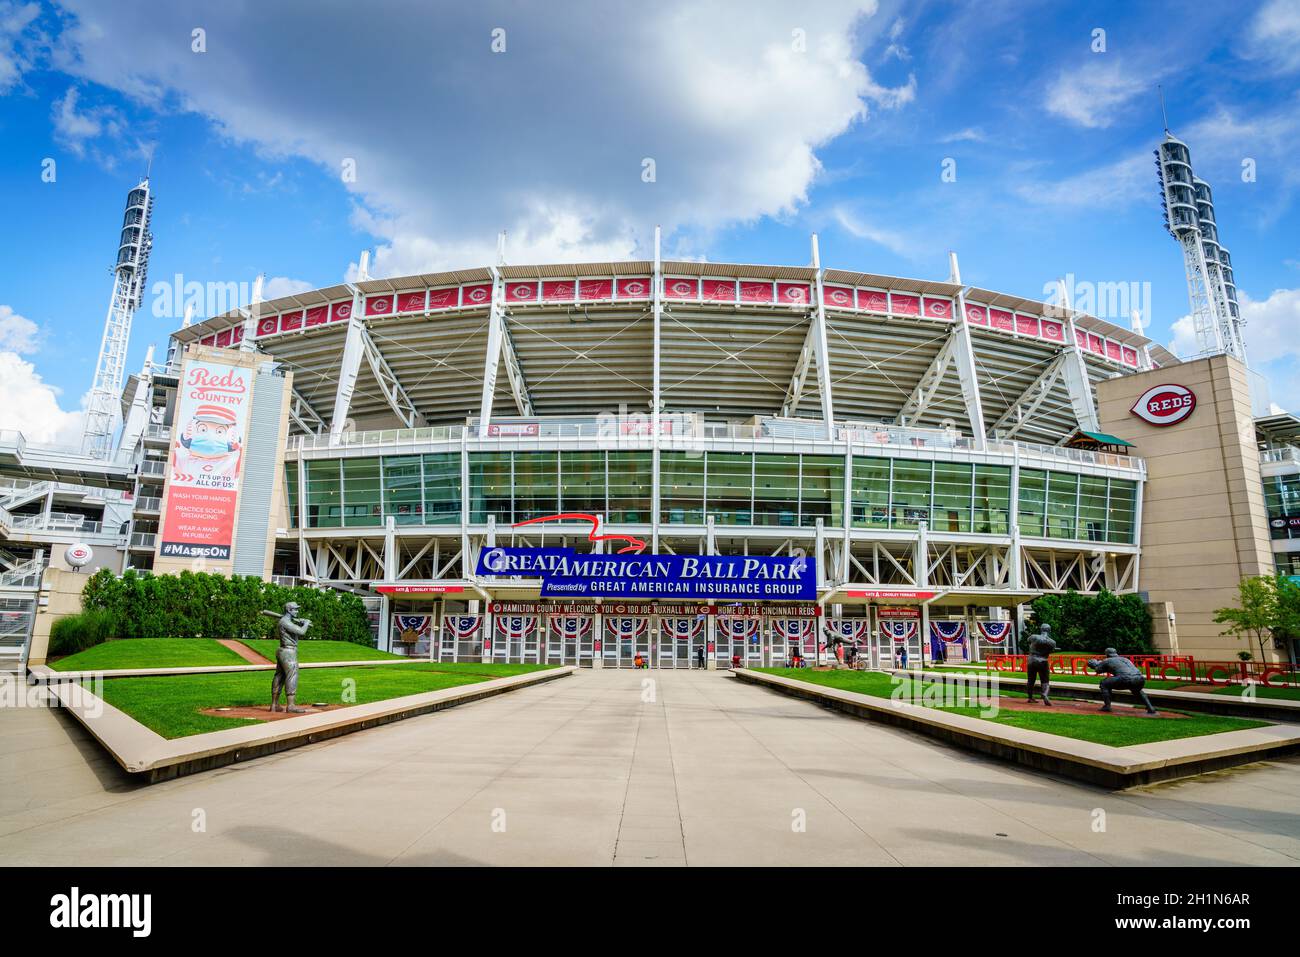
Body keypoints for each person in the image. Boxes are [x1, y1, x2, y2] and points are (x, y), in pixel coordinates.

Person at [1088, 648, 1158, 714]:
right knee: (1137, 690)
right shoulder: (1125, 659)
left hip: (1125, 678)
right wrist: (1101, 664)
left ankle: (1107, 706)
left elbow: (1098, 670)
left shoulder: (1107, 660)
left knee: (1104, 683)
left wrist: (1095, 664)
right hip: (1140, 679)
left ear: (1107, 654)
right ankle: (1150, 707)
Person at [1025, 623, 1056, 705]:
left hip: (1032, 660)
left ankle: (1030, 697)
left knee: (1031, 680)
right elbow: (1051, 650)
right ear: (1049, 630)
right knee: (1045, 681)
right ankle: (1045, 694)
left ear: (1041, 629)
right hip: (1043, 660)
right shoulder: (1052, 642)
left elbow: (1028, 640)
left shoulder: (1034, 637)